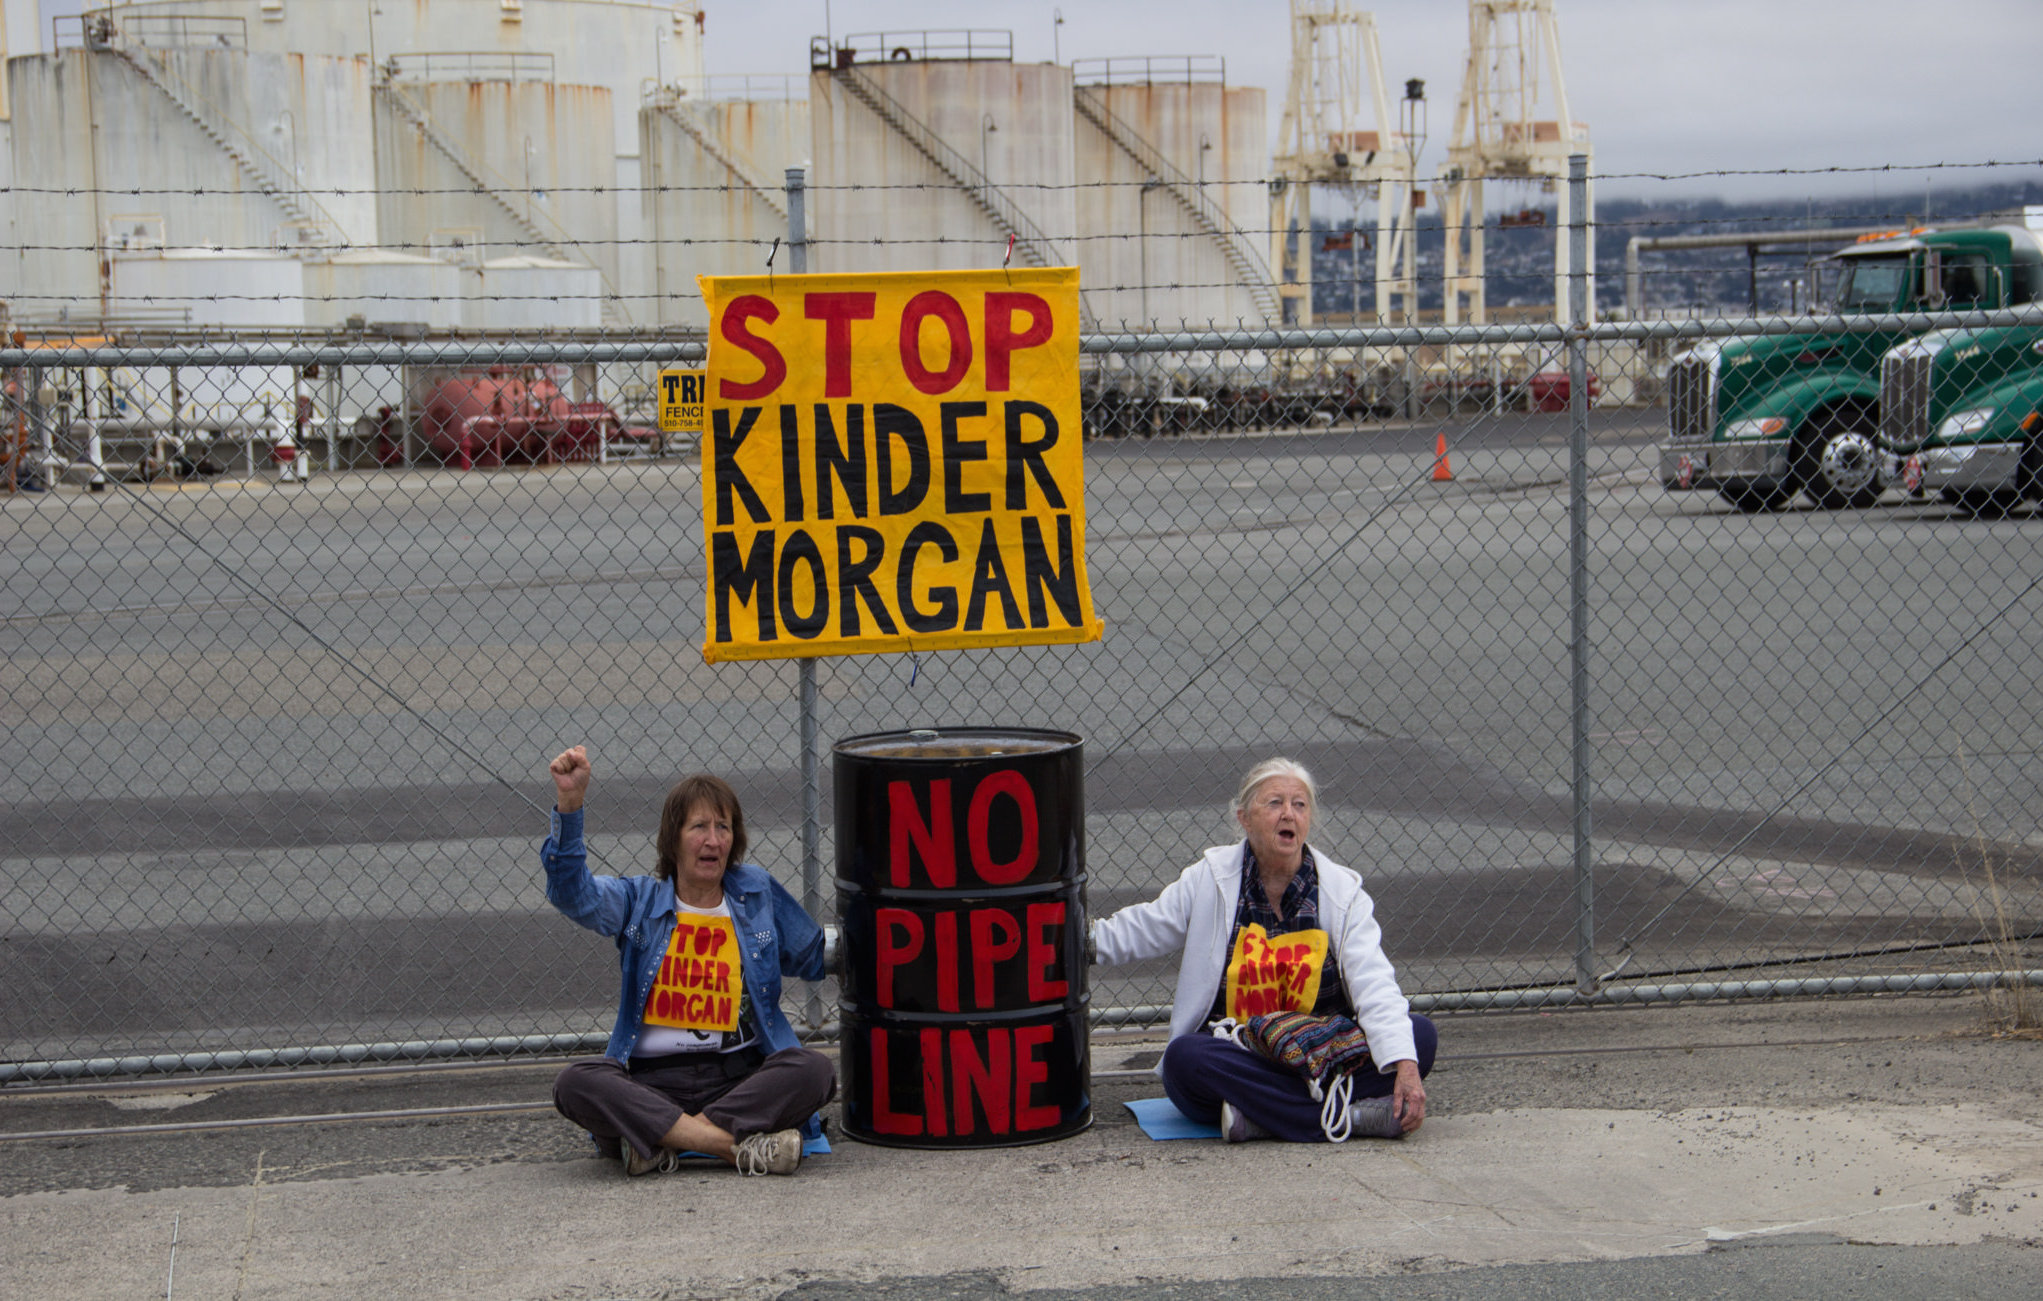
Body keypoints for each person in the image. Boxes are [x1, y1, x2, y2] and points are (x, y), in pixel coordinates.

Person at [1093, 757, 1436, 1143]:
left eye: (1300, 804)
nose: (1289, 813)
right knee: (1184, 1060)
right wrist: (1078, 940)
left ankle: (1260, 1116)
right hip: (1242, 1054)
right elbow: (1147, 928)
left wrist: (1405, 1065)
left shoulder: (1342, 893)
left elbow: (1375, 984)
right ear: (1244, 817)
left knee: (1418, 1036)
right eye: (1274, 803)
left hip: (1321, 1052)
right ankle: (1350, 1117)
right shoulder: (1211, 878)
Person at [542, 744, 836, 1177]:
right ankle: (732, 1148)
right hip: (651, 1084)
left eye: (724, 826)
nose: (713, 840)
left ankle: (660, 1144)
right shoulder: (638, 901)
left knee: (813, 1071)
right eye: (699, 826)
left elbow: (813, 953)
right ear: (673, 838)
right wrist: (570, 806)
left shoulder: (755, 892)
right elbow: (573, 894)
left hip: (739, 1080)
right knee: (576, 1084)